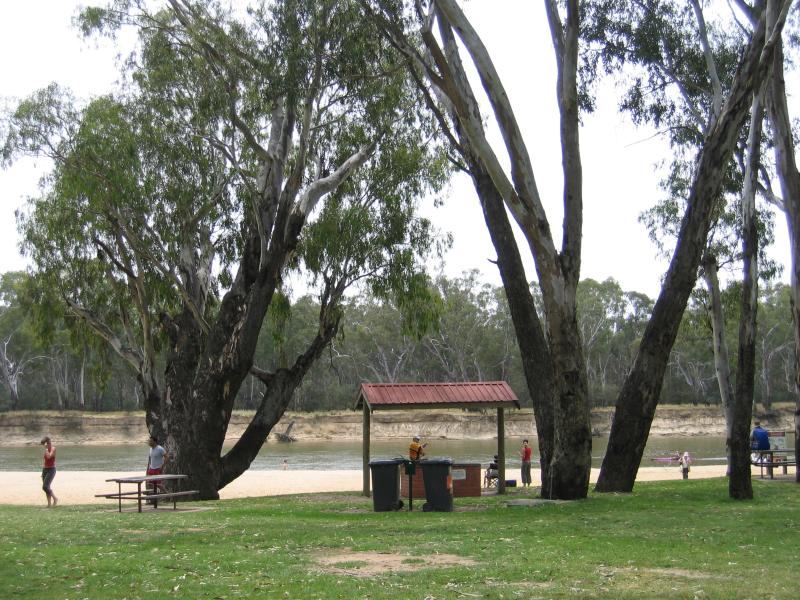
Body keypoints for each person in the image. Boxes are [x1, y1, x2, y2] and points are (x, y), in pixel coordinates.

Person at [40, 436, 58, 507]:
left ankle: (55, 498)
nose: (43, 446)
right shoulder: (46, 450)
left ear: (47, 443)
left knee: (45, 487)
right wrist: (42, 472)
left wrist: (46, 449)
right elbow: (45, 460)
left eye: (44, 444)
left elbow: (49, 457)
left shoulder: (53, 449)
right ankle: (49, 504)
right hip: (45, 469)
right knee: (47, 487)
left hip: (51, 470)